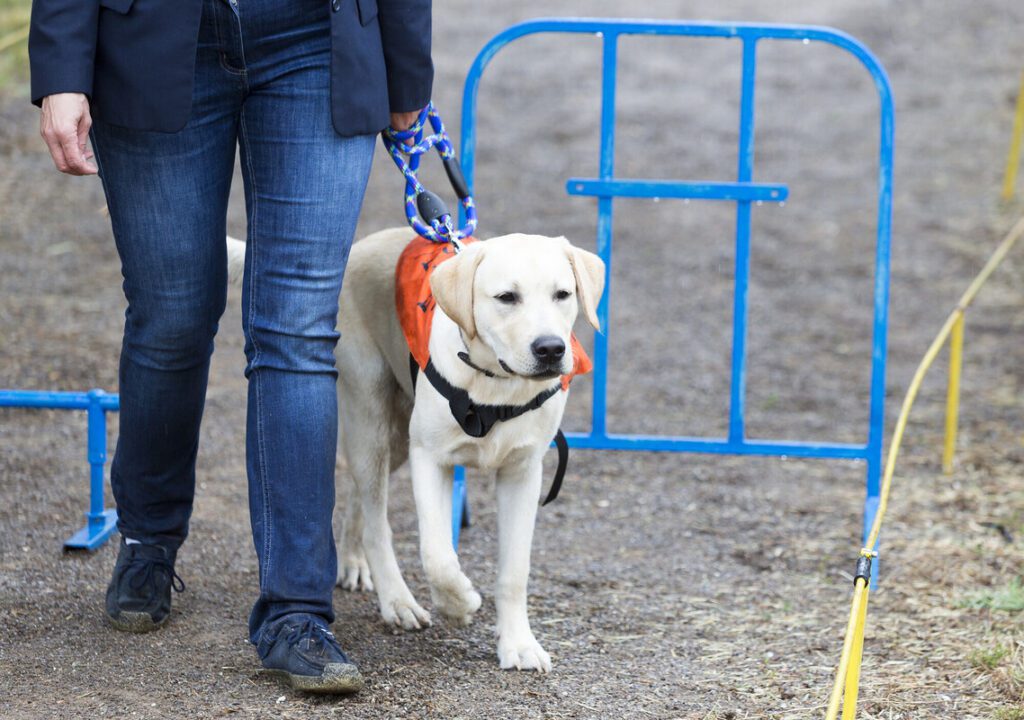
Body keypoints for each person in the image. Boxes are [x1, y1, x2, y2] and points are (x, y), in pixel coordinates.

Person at [29, 0, 431, 694]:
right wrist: (62, 68)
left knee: (299, 330)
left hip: (321, 40)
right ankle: (148, 539)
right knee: (172, 315)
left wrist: (405, 67)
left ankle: (297, 613)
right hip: (152, 37)